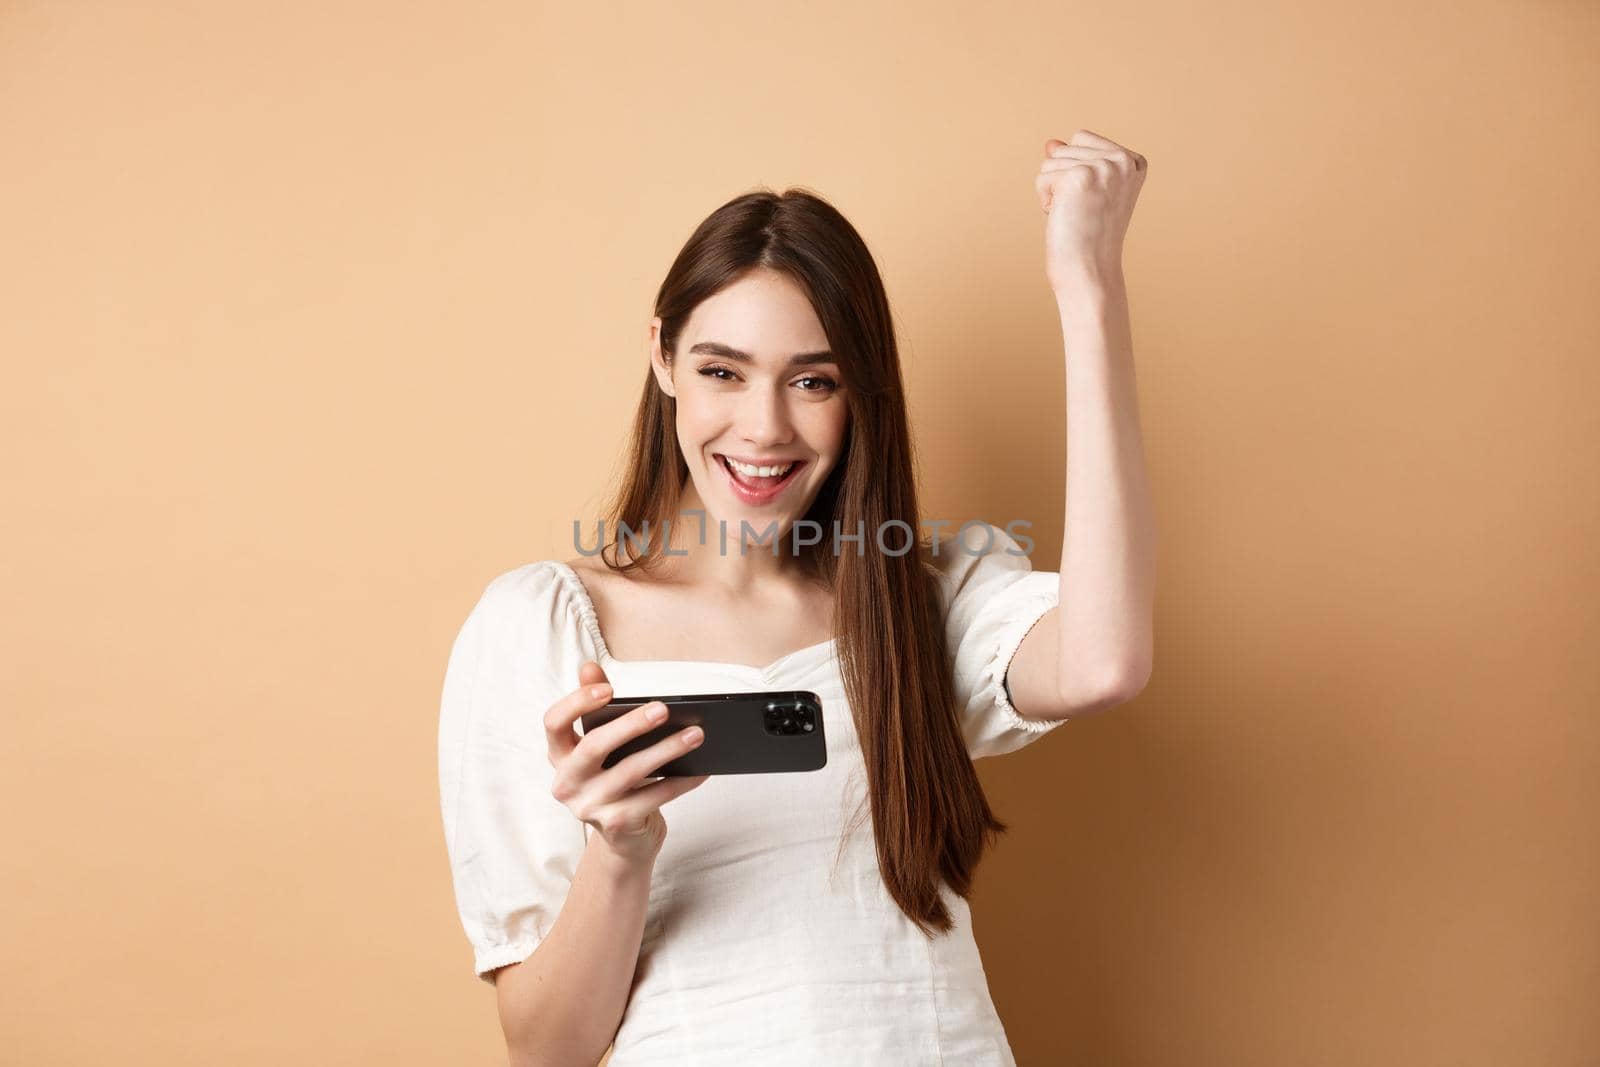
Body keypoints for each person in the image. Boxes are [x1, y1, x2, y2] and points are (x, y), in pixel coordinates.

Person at [438, 131, 1156, 1066]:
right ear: (662, 360)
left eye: (813, 380)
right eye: (722, 371)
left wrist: (1090, 283)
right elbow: (549, 1050)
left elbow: (1103, 662)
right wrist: (620, 845)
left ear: (862, 395)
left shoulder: (919, 604)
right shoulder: (539, 627)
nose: (764, 427)